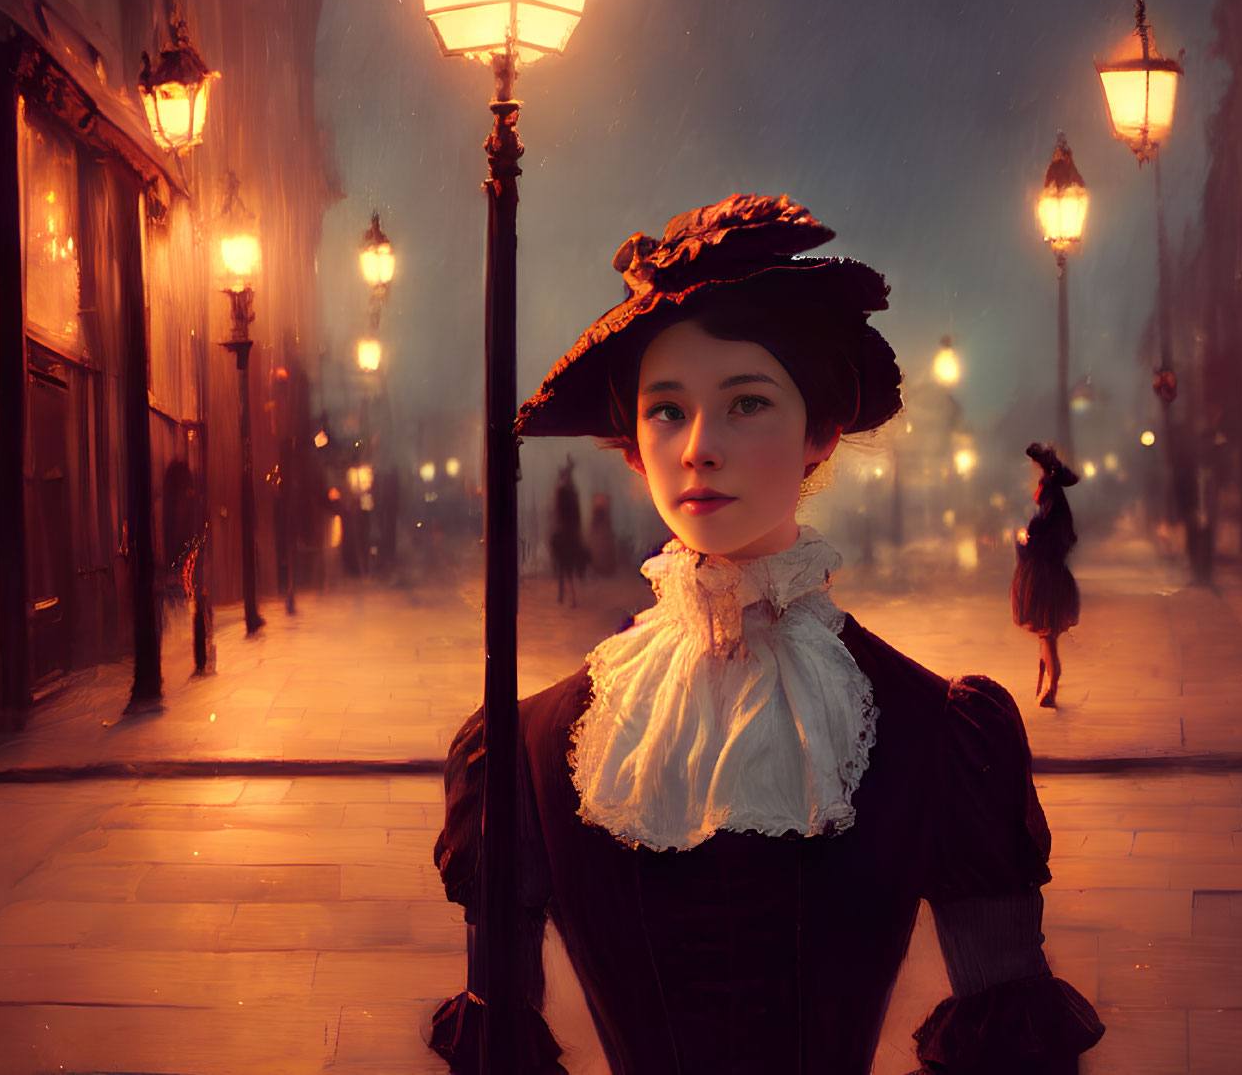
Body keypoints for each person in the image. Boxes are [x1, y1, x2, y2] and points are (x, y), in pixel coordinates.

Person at [429, 195, 1103, 1074]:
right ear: (633, 443)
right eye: (665, 409)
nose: (698, 447)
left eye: (745, 402)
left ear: (821, 432)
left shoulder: (939, 733)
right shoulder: (528, 748)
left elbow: (1010, 1045)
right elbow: (498, 1047)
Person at [1010, 443, 1080, 709]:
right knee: (1046, 635)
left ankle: (1051, 688)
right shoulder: (1055, 514)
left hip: (1044, 579)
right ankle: (1050, 685)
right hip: (1052, 575)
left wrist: (1024, 540)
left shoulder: (1046, 517)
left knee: (1046, 634)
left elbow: (1037, 546)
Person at [550, 458, 588, 606]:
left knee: (569, 565)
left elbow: (574, 512)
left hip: (570, 529)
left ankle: (571, 596)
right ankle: (565, 595)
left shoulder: (568, 492)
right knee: (563, 564)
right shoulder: (564, 492)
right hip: (565, 528)